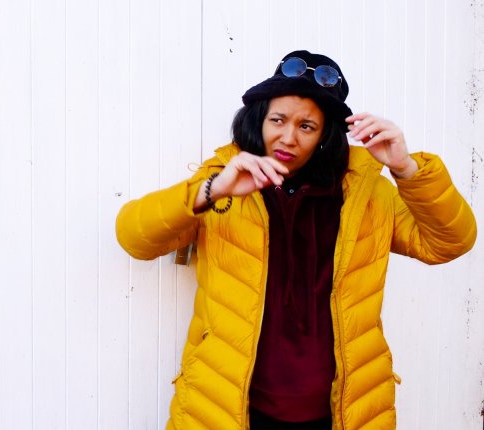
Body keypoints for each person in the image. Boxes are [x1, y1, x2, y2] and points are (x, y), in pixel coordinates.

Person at [115, 50, 477, 430]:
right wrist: (211, 189)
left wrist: (406, 169)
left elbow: (449, 242)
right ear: (260, 119)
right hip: (227, 408)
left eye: (307, 126)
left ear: (324, 136)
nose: (287, 137)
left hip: (344, 410)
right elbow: (134, 238)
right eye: (278, 120)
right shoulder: (224, 183)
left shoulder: (367, 195)